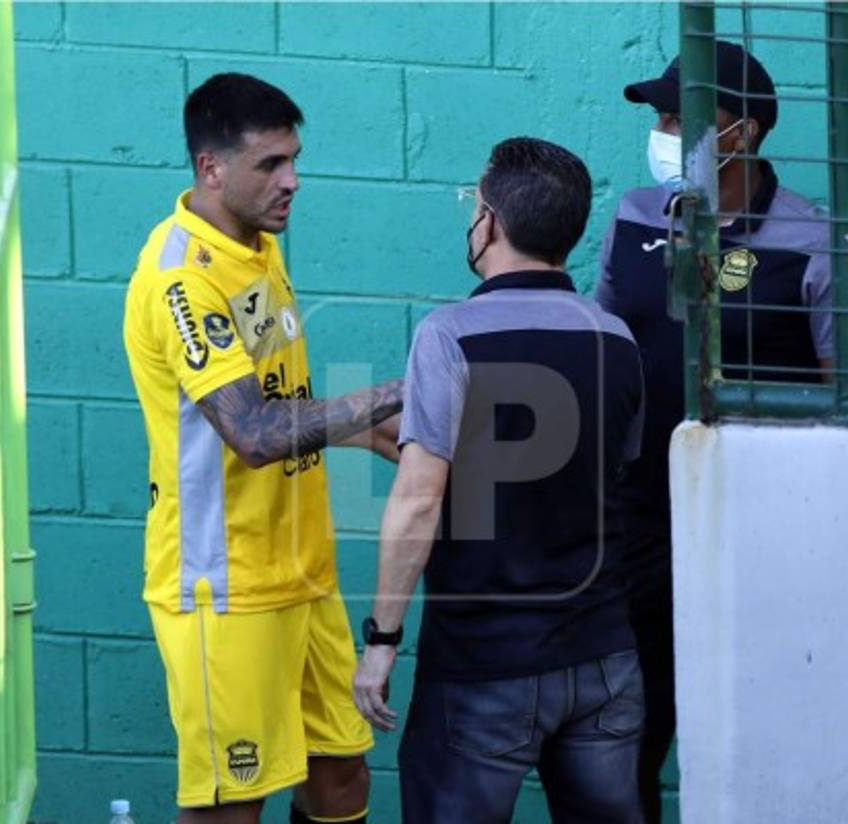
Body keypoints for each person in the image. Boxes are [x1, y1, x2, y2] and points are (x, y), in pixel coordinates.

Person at [597, 41, 848, 823]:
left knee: (768, 719)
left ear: (745, 133)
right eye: (661, 116)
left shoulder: (816, 242)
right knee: (630, 725)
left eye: (684, 116)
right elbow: (604, 351)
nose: (666, 130)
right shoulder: (633, 216)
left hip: (769, 523)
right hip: (643, 515)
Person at [122, 73, 402, 824]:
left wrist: (387, 440)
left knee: (342, 777)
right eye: (271, 165)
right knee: (231, 808)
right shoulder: (181, 277)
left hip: (303, 572)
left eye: (294, 160)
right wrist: (398, 391)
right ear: (211, 168)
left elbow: (285, 405)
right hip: (225, 586)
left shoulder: (258, 244)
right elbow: (250, 433)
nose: (293, 182)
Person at [352, 137, 647, 824]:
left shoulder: (449, 335)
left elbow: (420, 500)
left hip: (484, 671)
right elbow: (598, 471)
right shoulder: (618, 340)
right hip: (604, 661)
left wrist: (381, 643)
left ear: (491, 222)